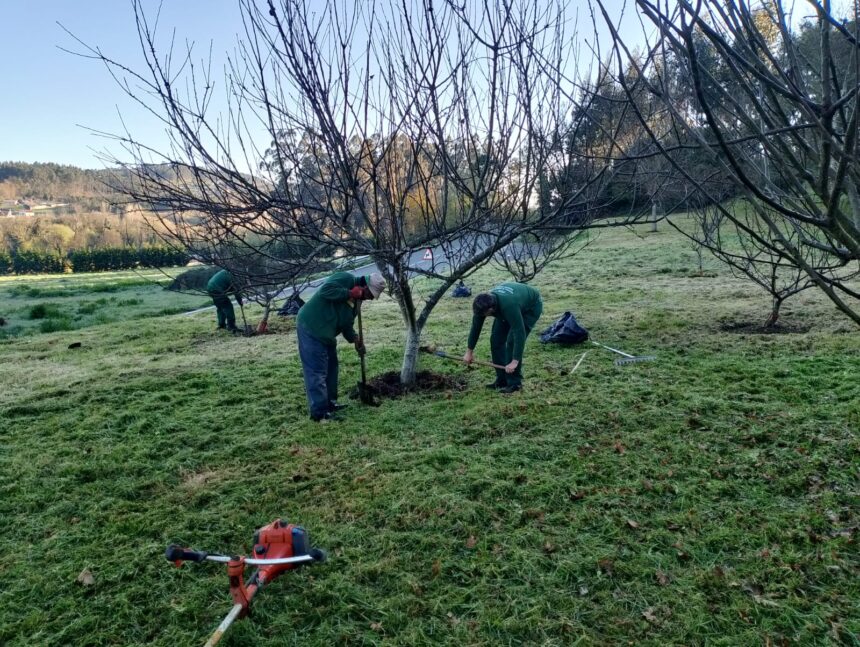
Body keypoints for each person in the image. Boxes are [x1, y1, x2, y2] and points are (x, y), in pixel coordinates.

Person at [296, 272, 385, 421]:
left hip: (328, 333)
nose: (370, 298)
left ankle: (330, 403)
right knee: (316, 372)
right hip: (311, 327)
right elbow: (325, 291)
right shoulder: (346, 279)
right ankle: (319, 414)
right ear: (364, 285)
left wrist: (355, 339)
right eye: (370, 294)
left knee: (332, 368)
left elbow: (346, 324)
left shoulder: (357, 301)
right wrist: (349, 292)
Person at [463, 282, 543, 393]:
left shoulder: (508, 306)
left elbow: (519, 332)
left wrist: (515, 361)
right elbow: (475, 328)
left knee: (511, 340)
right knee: (496, 339)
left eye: (483, 315)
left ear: (491, 310)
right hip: (509, 304)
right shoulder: (481, 306)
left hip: (531, 306)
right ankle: (502, 380)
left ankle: (515, 383)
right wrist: (469, 351)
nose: (480, 317)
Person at [206, 269, 243, 333]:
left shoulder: (227, 270)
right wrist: (240, 301)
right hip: (217, 289)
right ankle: (231, 327)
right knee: (228, 307)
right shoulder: (233, 277)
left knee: (220, 307)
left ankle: (221, 325)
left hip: (210, 287)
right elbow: (236, 291)